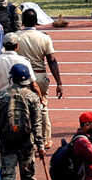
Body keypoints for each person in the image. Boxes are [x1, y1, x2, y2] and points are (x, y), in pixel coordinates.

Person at [12, 8, 64, 146]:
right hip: (40, 75)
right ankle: (45, 139)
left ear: (22, 21)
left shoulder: (16, 37)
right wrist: (59, 83)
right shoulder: (45, 37)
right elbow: (52, 60)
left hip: (21, 76)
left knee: (21, 108)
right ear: (36, 21)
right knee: (42, 107)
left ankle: (24, 139)